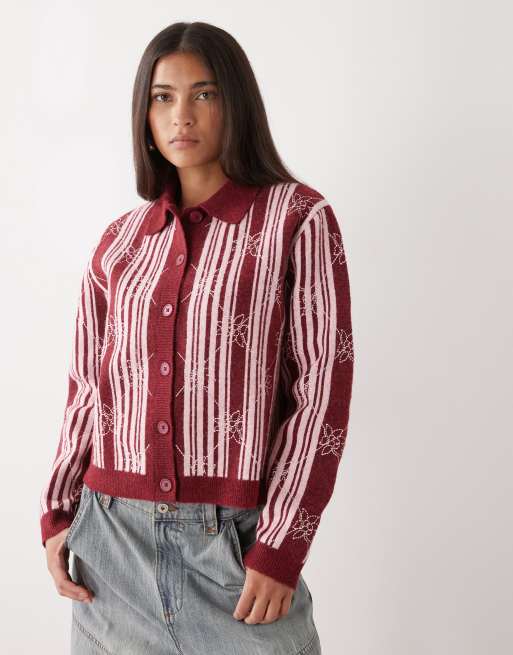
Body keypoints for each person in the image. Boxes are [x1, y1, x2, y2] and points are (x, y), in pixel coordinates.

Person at [40, 20, 354, 655]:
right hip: (110, 551)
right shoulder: (120, 242)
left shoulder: (297, 220)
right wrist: (58, 510)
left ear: (236, 103)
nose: (181, 115)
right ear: (144, 113)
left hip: (236, 552)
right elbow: (88, 387)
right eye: (163, 97)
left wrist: (281, 545)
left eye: (204, 94)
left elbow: (322, 390)